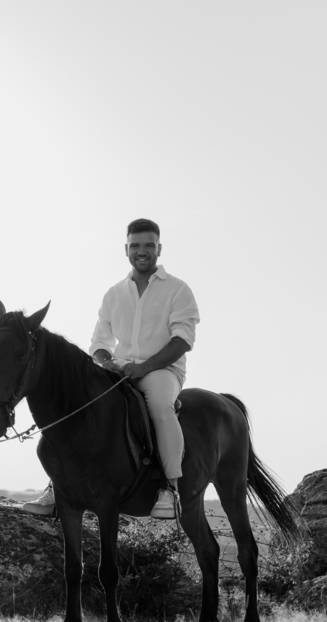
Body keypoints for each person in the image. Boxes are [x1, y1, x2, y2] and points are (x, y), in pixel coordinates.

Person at [23, 217, 199, 519]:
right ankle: (57, 485)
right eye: (135, 246)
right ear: (126, 249)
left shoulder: (178, 290)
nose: (141, 251)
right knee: (78, 408)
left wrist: (144, 368)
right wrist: (106, 363)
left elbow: (181, 341)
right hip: (117, 371)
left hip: (162, 370)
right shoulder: (114, 294)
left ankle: (169, 488)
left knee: (159, 407)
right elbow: (99, 342)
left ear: (159, 248)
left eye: (148, 245)